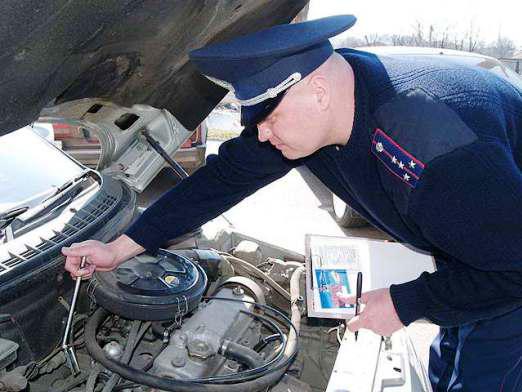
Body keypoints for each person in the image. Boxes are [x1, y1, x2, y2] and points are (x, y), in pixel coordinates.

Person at [62, 15, 522, 391]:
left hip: (509, 259)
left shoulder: (432, 147)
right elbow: (222, 179)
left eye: (268, 117)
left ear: (317, 93)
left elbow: (511, 268)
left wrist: (407, 301)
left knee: (486, 372)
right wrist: (121, 247)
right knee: (451, 351)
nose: (261, 133)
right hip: (483, 240)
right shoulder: (323, 110)